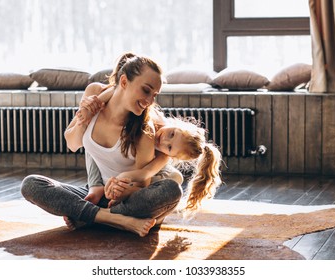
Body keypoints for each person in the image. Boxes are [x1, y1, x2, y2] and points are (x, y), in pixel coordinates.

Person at [21, 52, 182, 237]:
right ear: (123, 82)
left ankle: (89, 216)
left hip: (125, 199)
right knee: (32, 185)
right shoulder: (94, 95)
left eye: (154, 95)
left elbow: (142, 185)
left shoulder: (145, 131)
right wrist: (84, 119)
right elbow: (72, 144)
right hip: (96, 195)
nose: (150, 101)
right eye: (146, 90)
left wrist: (121, 191)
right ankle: (117, 220)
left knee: (171, 190)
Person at [76, 81, 222, 214]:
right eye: (171, 134)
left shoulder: (163, 157)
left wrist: (125, 179)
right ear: (176, 123)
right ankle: (96, 188)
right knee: (92, 140)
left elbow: (144, 174)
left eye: (169, 147)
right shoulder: (152, 116)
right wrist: (97, 101)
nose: (163, 140)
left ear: (171, 156)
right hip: (114, 161)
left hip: (143, 173)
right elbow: (117, 90)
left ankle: (125, 208)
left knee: (175, 178)